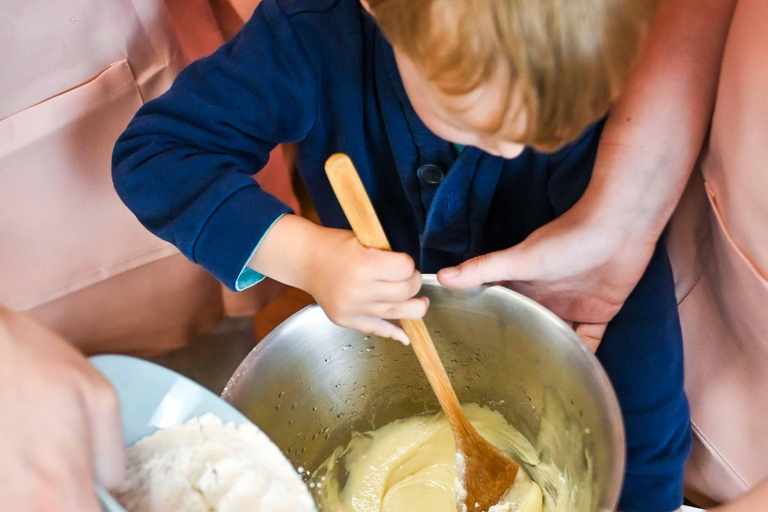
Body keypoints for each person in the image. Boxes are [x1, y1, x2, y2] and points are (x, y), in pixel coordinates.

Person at [112, 0, 690, 509]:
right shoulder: (309, 33)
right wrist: (308, 257)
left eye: (547, 132)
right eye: (473, 120)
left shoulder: (576, 50)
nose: (514, 148)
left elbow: (642, 366)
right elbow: (156, 156)